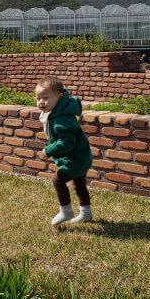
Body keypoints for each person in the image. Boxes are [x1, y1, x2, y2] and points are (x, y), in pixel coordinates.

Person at [36, 77, 94, 226]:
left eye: (46, 97)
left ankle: (66, 210)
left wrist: (47, 150)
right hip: (80, 156)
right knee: (79, 183)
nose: (41, 102)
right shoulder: (57, 111)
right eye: (38, 98)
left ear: (59, 96)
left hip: (75, 159)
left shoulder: (62, 118)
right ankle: (86, 213)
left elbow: (67, 142)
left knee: (58, 180)